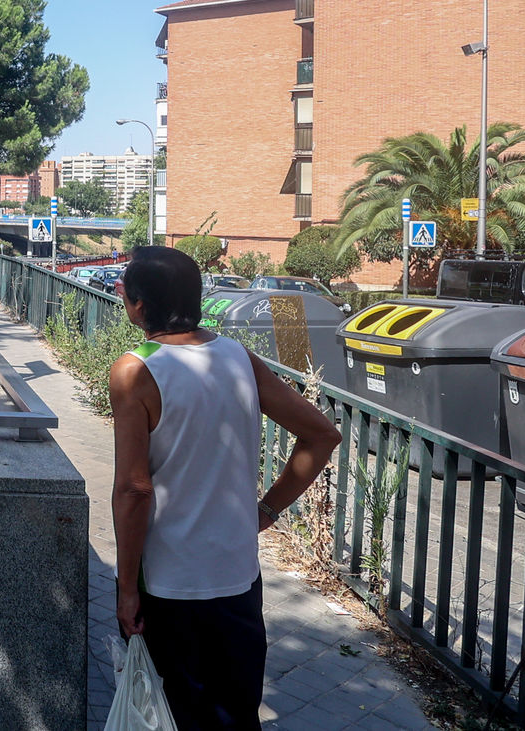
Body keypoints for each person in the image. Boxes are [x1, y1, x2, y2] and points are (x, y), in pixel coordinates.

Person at [109, 246, 340, 729]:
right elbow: (322, 434)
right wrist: (268, 510)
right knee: (236, 712)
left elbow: (134, 490)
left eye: (125, 290)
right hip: (238, 575)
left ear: (139, 305)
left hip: (169, 580)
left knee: (176, 714)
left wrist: (127, 589)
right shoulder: (238, 356)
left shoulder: (135, 371)